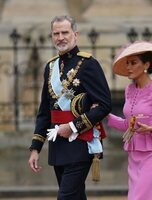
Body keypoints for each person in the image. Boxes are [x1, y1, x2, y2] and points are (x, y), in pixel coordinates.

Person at [28, 15, 111, 200]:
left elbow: (105, 104)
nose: (60, 37)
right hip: (58, 145)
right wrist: (35, 148)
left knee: (65, 197)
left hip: (81, 141)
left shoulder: (89, 64)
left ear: (75, 34)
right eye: (56, 33)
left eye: (65, 32)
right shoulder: (50, 67)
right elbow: (44, 112)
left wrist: (73, 126)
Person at [107, 41, 152, 200]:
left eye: (133, 63)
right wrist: (105, 115)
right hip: (134, 157)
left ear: (146, 64)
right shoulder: (129, 90)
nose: (129, 67)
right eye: (127, 63)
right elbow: (128, 125)